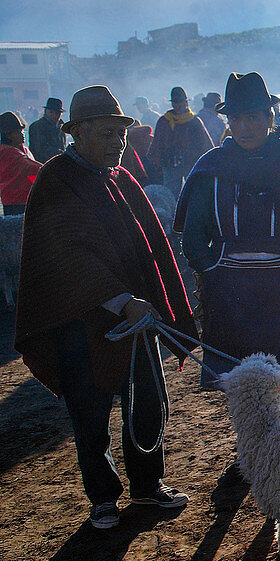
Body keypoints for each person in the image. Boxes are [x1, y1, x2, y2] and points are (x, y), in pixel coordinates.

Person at [14, 85, 197, 530]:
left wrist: (158, 303)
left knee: (148, 402)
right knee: (90, 413)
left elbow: (152, 247)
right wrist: (119, 301)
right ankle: (102, 498)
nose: (118, 142)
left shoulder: (121, 178)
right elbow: (64, 256)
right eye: (106, 133)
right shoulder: (56, 179)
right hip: (81, 324)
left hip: (137, 320)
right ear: (76, 133)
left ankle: (147, 487)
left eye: (120, 132)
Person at [174, 72, 280, 389]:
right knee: (246, 391)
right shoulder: (212, 167)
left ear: (269, 117)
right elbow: (193, 235)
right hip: (232, 298)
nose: (243, 127)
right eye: (235, 118)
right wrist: (212, 268)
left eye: (252, 117)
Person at [149, 86, 214, 194]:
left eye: (180, 102)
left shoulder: (194, 121)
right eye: (175, 102)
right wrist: (158, 159)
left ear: (186, 102)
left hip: (191, 162)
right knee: (171, 192)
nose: (178, 105)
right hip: (170, 163)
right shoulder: (165, 121)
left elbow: (205, 143)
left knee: (193, 190)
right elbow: (157, 142)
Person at [0, 111, 43, 215]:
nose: (22, 134)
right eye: (18, 131)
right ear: (9, 135)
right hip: (14, 202)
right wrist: (52, 169)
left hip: (28, 199)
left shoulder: (23, 149)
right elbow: (30, 168)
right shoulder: (6, 152)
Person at [27, 97, 66, 163]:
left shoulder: (61, 127)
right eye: (51, 112)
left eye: (57, 113)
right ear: (45, 111)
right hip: (42, 165)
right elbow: (40, 150)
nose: (54, 115)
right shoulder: (37, 126)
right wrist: (61, 154)